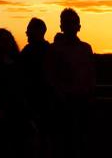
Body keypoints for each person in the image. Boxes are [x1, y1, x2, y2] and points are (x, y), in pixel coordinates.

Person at [46, 8, 95, 158]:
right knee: (63, 144)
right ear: (61, 26)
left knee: (82, 143)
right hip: (62, 104)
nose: (69, 26)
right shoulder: (53, 50)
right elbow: (49, 76)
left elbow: (91, 74)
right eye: (66, 23)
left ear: (79, 26)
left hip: (83, 102)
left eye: (72, 23)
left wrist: (89, 94)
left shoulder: (86, 49)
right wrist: (60, 94)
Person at [0, 28, 35, 158]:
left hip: (17, 110)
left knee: (19, 146)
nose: (6, 43)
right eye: (3, 40)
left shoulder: (18, 63)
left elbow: (23, 87)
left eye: (8, 40)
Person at [20, 18, 51, 157]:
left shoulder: (29, 52)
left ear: (39, 32)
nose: (27, 33)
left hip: (39, 102)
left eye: (29, 30)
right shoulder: (50, 50)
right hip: (39, 103)